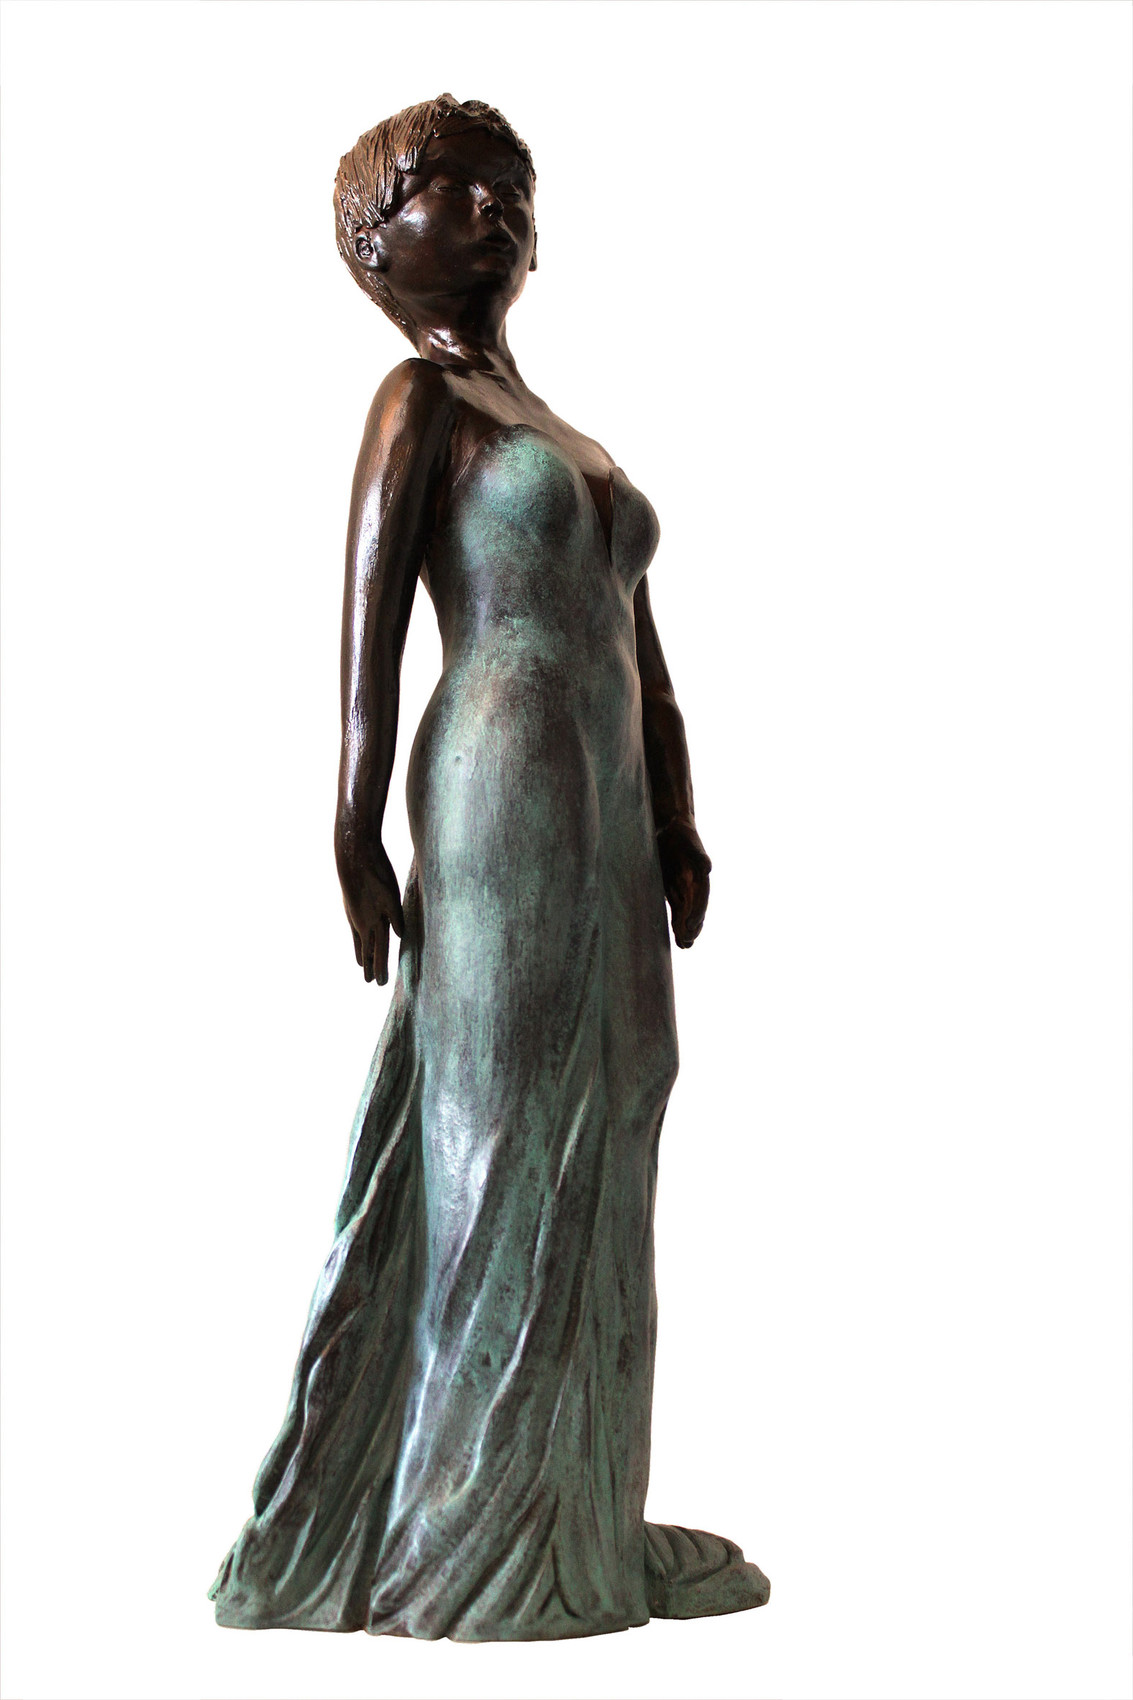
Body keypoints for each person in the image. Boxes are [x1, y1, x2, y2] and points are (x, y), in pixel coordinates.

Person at [209, 93, 768, 1641]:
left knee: (620, 1101)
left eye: (508, 187)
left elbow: (645, 654)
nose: (491, 207)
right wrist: (349, 824)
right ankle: (467, 1537)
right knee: (501, 1120)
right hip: (501, 777)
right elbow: (371, 628)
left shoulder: (563, 431)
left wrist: (676, 813)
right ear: (375, 241)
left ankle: (578, 1506)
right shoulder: (420, 399)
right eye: (450, 187)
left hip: (606, 804)